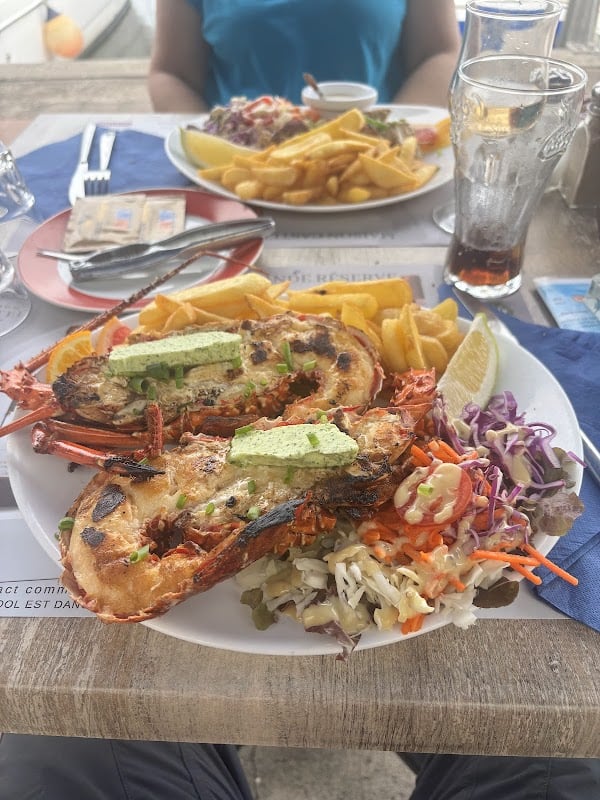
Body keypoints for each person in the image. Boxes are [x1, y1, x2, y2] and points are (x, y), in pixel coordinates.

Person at [148, 0, 462, 113]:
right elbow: (172, 75)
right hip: (237, 168)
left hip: (374, 164)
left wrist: (394, 139)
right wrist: (207, 147)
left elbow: (439, 54)